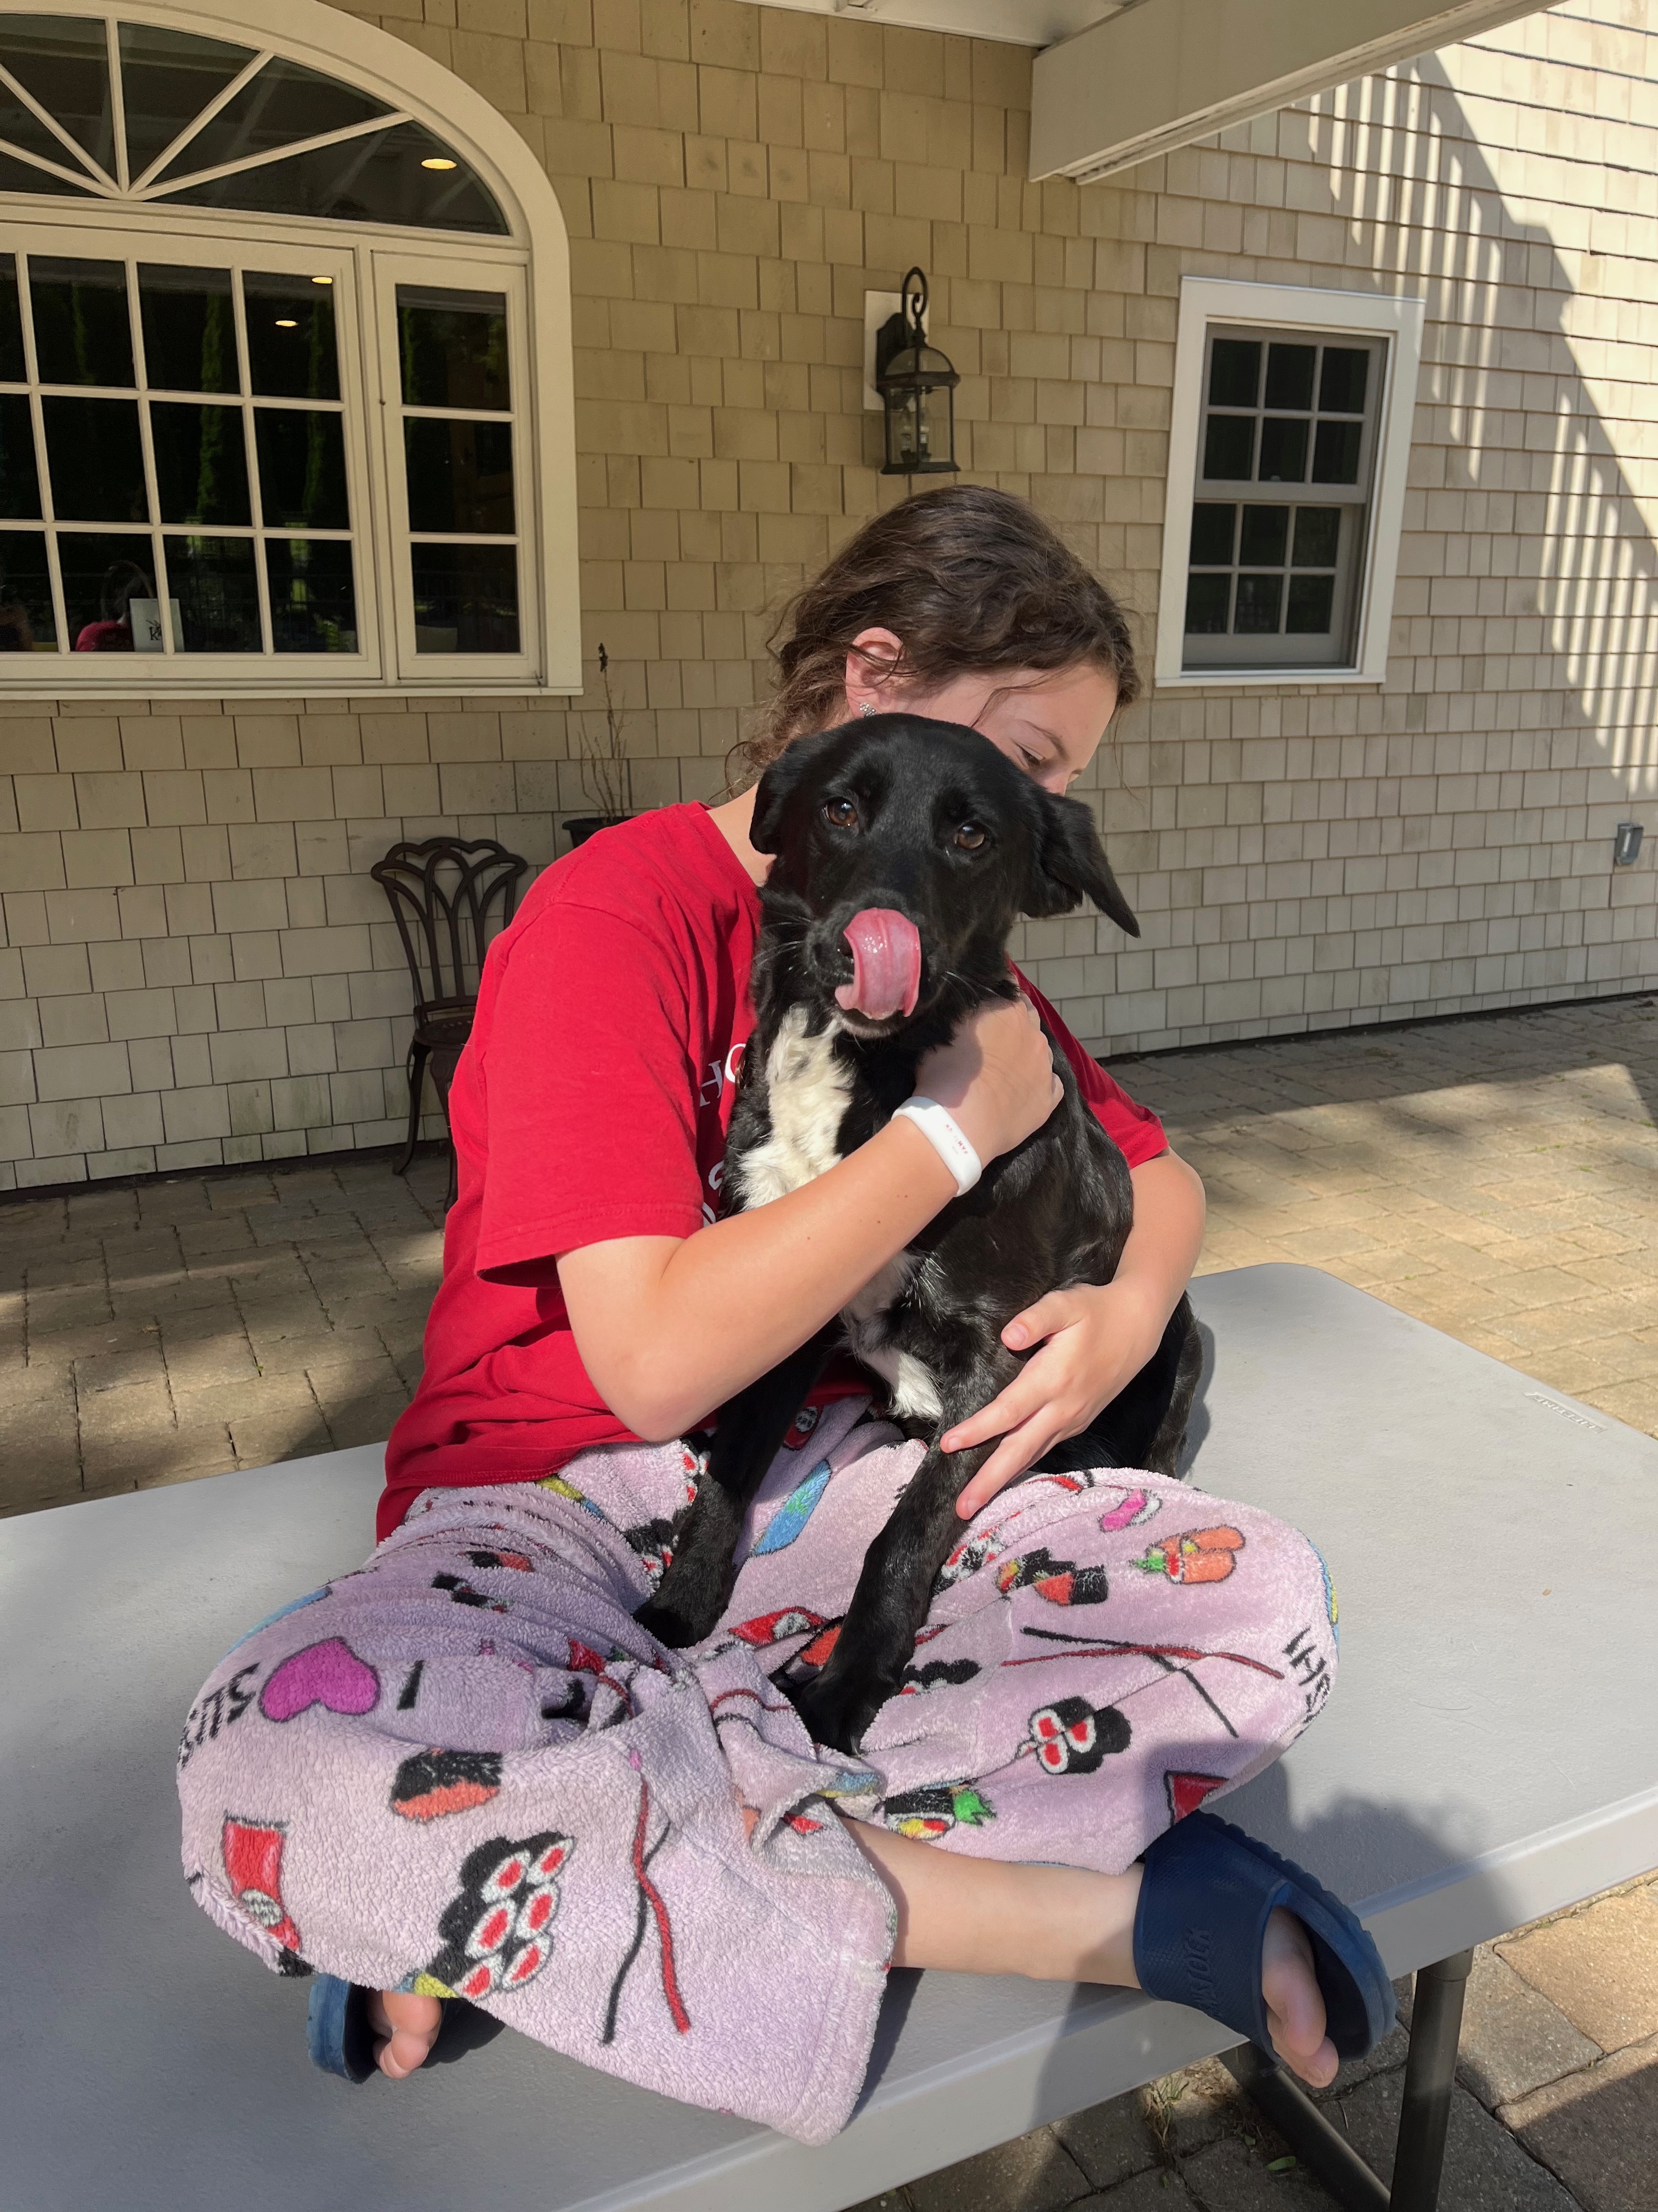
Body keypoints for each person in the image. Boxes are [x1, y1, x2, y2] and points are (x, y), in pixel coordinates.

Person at [177, 488, 1375, 2140]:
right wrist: (956, 1131)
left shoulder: (962, 964)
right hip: (558, 1498)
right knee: (277, 1752)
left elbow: (1155, 1177)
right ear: (875, 684)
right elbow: (657, 1362)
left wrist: (1123, 1311)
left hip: (840, 1482)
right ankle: (1087, 1915)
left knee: (1254, 1597)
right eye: (1025, 761)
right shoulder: (613, 917)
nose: (1021, 818)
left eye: (1044, 798)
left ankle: (536, 1867)